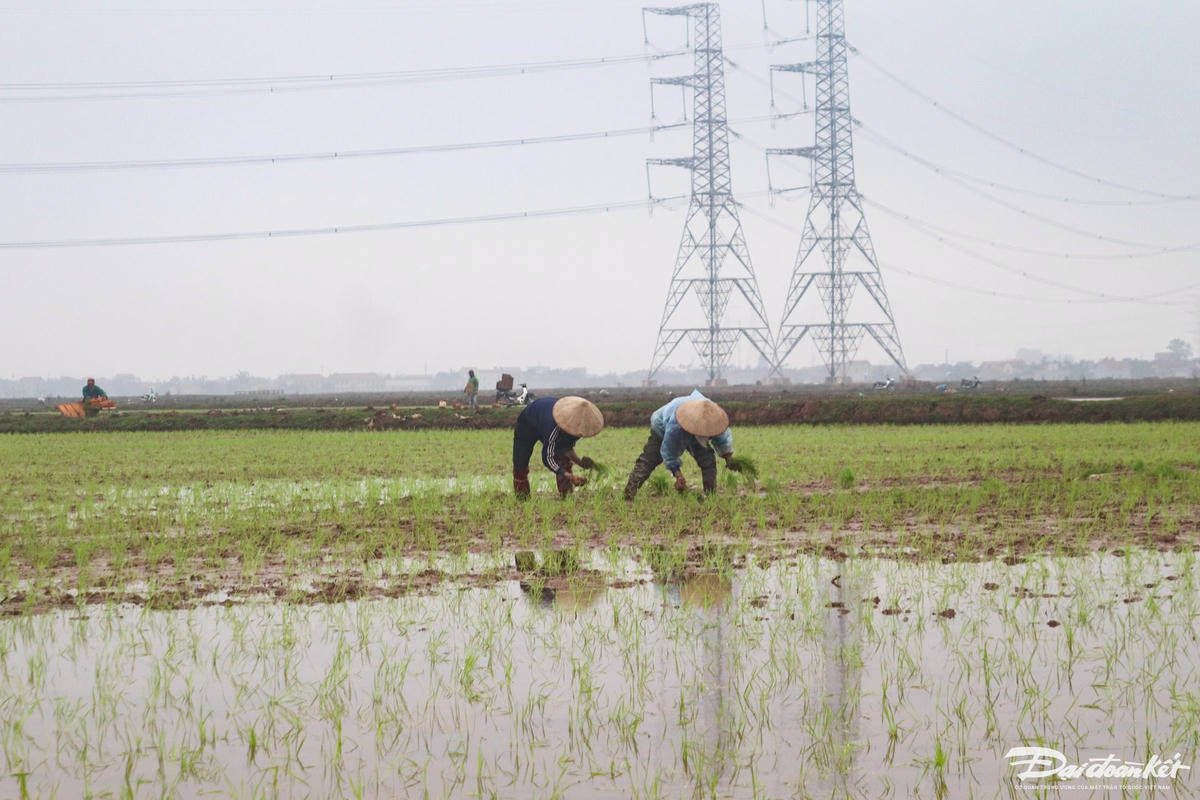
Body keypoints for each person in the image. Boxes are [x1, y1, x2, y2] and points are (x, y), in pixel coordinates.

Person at [623, 389, 737, 500]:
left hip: (698, 426)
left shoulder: (714, 417)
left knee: (707, 459)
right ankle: (629, 493)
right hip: (662, 426)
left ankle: (711, 495)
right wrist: (678, 475)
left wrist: (729, 458)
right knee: (650, 459)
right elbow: (668, 451)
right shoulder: (675, 427)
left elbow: (723, 438)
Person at [512, 396, 604, 498]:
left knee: (564, 460)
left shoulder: (576, 429)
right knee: (520, 464)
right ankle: (522, 498)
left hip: (545, 419)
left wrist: (581, 463)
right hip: (527, 424)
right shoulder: (554, 428)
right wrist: (569, 476)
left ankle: (567, 496)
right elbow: (547, 458)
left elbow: (566, 449)